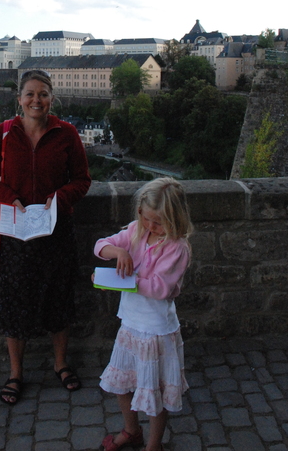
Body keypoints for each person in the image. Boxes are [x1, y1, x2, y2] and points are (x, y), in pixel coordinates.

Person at [0, 69, 91, 405]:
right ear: (19, 99)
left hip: (56, 229)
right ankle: (16, 373)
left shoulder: (67, 133)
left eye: (43, 94)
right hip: (16, 232)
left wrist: (59, 199)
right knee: (15, 302)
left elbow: (82, 180)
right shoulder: (2, 133)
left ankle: (61, 364)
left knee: (59, 297)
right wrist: (8, 198)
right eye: (30, 94)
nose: (36, 100)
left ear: (52, 98)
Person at [94, 177, 193, 451]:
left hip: (156, 330)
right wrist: (119, 251)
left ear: (175, 219)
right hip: (130, 325)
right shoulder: (136, 230)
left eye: (158, 222)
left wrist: (118, 281)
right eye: (145, 218)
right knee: (123, 384)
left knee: (154, 392)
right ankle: (132, 430)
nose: (150, 226)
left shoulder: (177, 248)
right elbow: (100, 246)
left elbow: (161, 288)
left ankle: (153, 445)